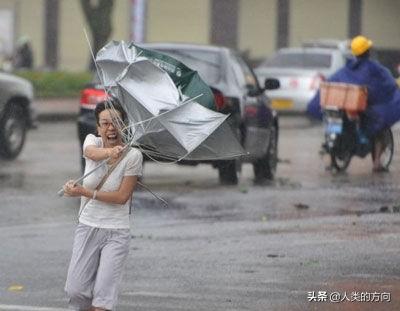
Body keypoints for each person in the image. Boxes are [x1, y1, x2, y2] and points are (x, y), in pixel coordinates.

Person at [63, 99, 143, 311]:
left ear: (124, 126)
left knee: (103, 299)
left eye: (116, 122)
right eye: (105, 123)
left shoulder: (134, 156)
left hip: (116, 232)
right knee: (75, 291)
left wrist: (83, 192)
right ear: (98, 127)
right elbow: (91, 153)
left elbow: (121, 197)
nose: (111, 128)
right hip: (87, 226)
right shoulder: (92, 142)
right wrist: (110, 153)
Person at [307, 35, 400, 172]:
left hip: (345, 106)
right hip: (363, 107)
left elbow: (332, 81)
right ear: (367, 51)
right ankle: (377, 163)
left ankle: (332, 157)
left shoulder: (347, 68)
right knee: (381, 127)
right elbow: (387, 84)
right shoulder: (374, 68)